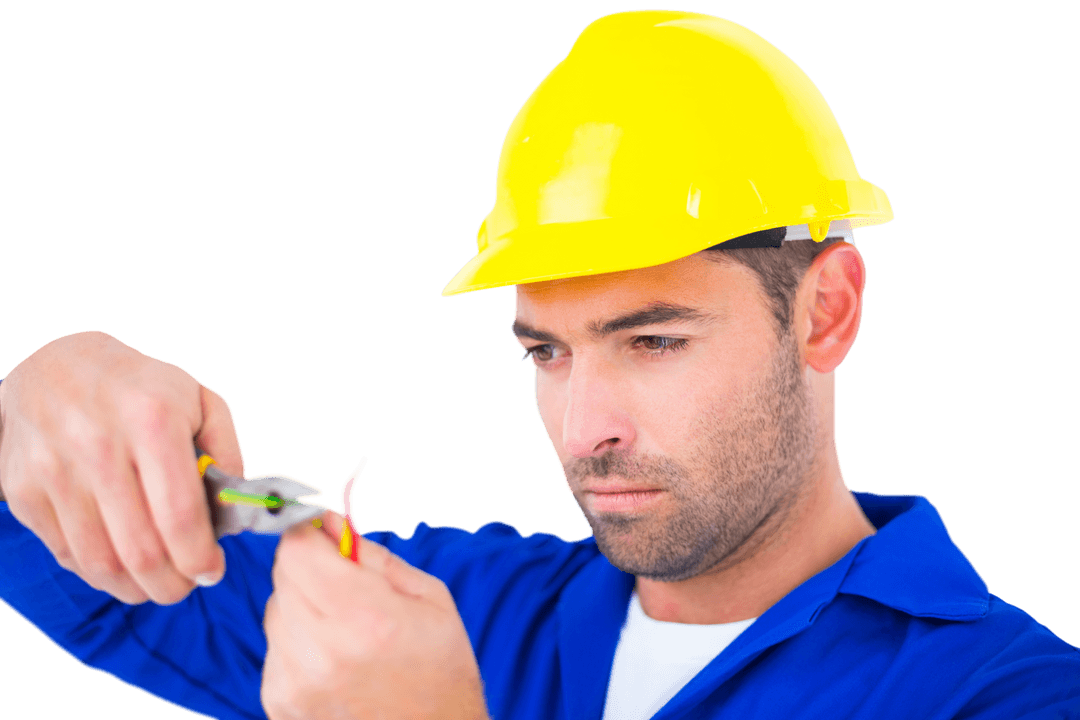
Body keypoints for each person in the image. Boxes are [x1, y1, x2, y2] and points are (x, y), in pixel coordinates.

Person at [0, 9, 1076, 720]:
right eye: (546, 352)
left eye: (653, 339)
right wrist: (46, 405)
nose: (584, 428)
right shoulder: (453, 607)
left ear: (826, 313)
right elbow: (94, 566)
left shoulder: (1003, 696)